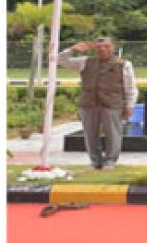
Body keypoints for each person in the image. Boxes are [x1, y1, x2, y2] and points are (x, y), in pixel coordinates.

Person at [56, 37, 138, 170]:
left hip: (112, 103)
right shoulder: (85, 62)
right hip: (89, 103)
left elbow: (130, 87)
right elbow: (60, 61)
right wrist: (71, 50)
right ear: (95, 49)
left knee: (113, 134)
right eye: (99, 47)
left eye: (106, 46)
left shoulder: (124, 64)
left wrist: (130, 105)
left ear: (112, 47)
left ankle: (110, 161)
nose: (102, 49)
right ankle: (95, 161)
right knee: (90, 134)